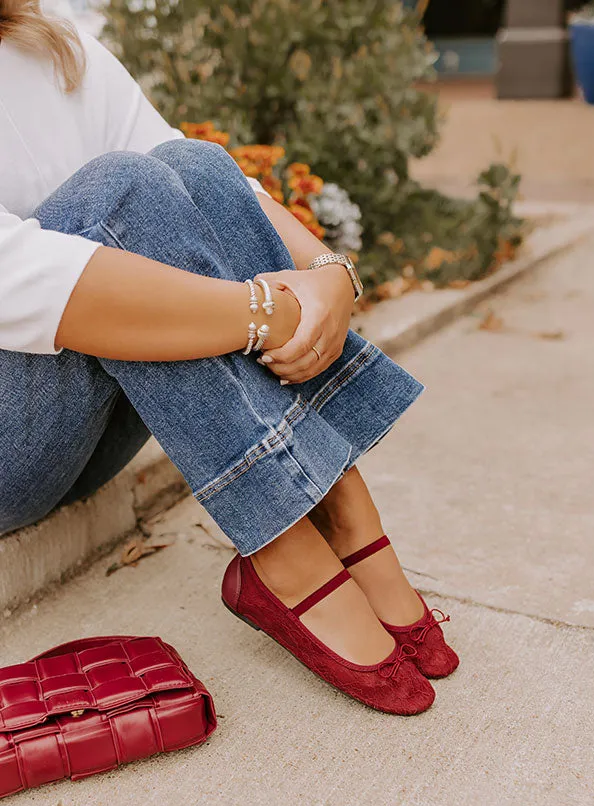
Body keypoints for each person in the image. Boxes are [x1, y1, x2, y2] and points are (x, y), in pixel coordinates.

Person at [0, 0, 458, 715]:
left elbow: (201, 185)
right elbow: (23, 280)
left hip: (83, 429)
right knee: (119, 192)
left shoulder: (45, 36)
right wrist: (264, 316)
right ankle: (285, 544)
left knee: (189, 164)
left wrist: (332, 274)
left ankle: (343, 506)